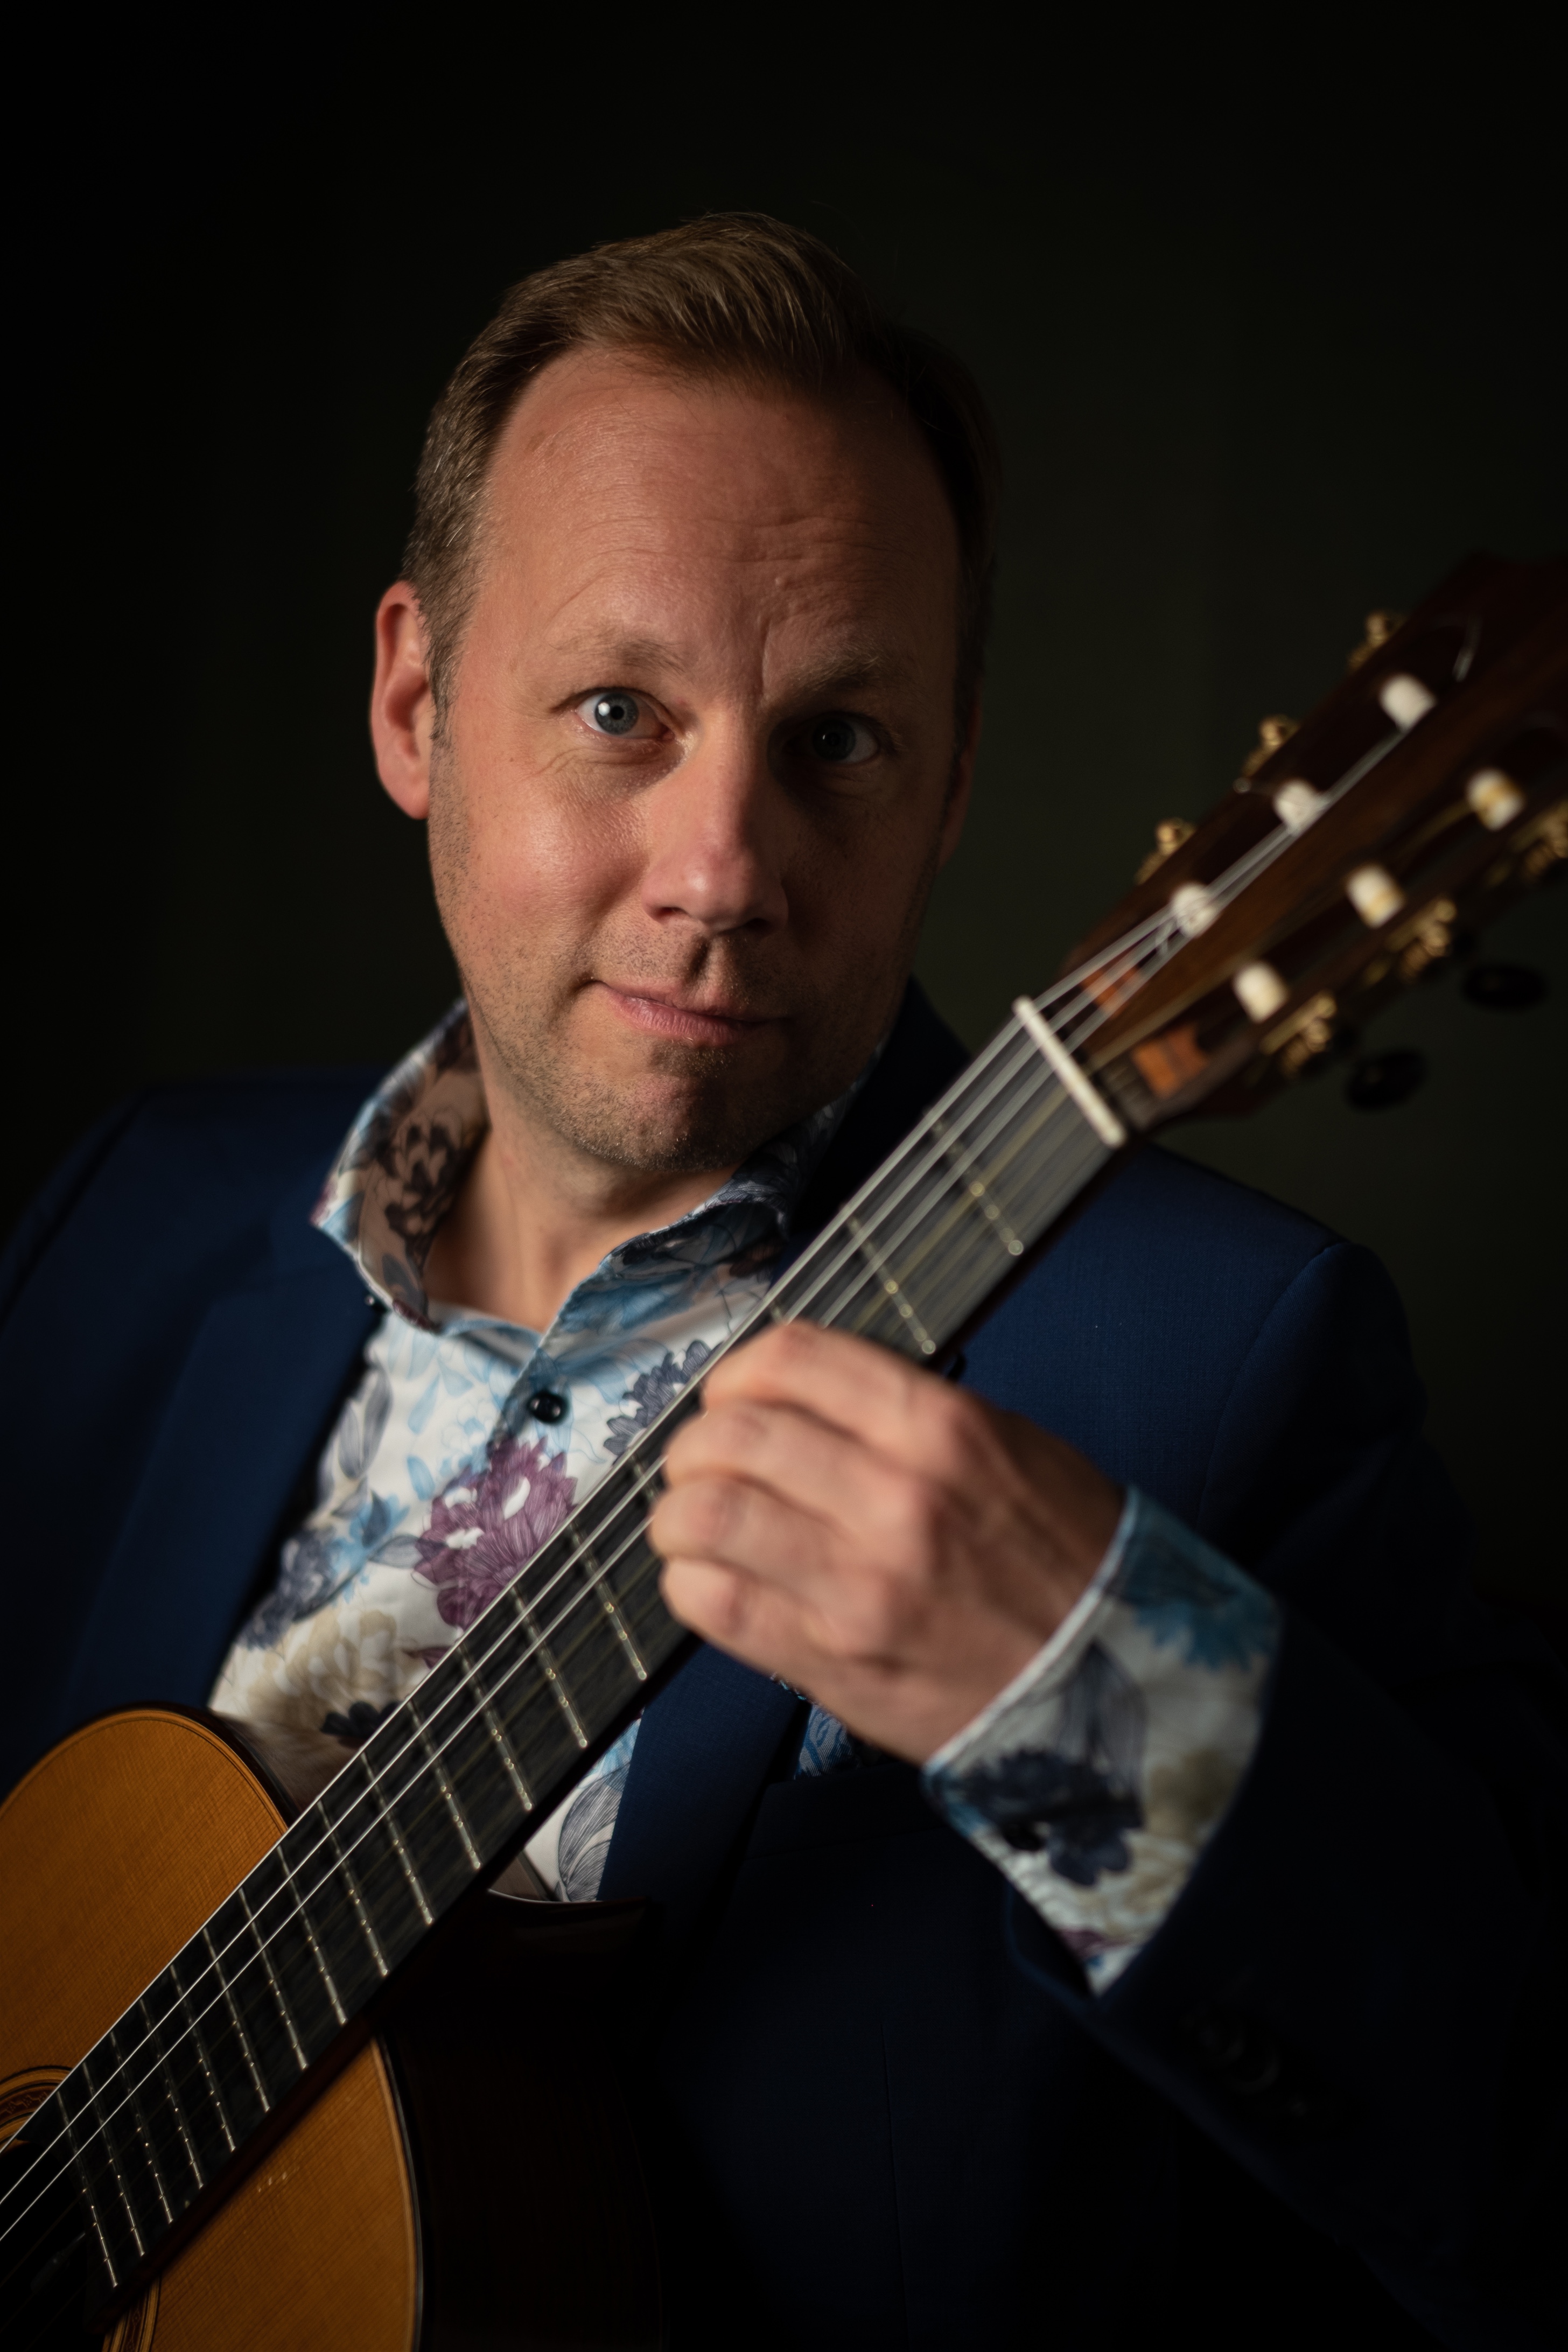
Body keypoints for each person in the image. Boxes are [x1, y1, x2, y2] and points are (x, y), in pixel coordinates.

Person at [1, 216, 1561, 2350]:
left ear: (952, 779)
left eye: (835, 741)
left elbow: (1520, 2159)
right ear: (416, 703)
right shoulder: (132, 1218)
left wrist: (1097, 1692)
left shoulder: (1215, 1367)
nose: (724, 869)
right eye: (618, 711)